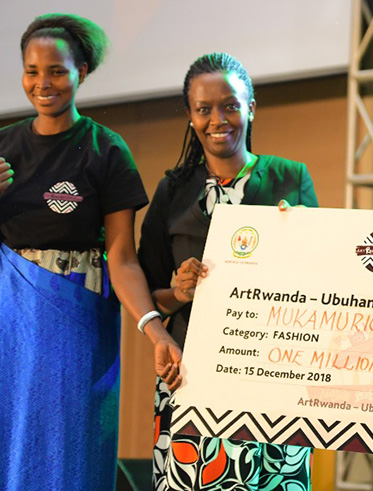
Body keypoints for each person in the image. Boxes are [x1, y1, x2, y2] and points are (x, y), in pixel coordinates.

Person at [0, 13, 181, 490]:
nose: (43, 83)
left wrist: (155, 331)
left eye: (56, 71)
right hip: (8, 324)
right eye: (32, 71)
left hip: (77, 325)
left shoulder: (106, 150)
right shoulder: (3, 146)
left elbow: (121, 257)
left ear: (81, 72)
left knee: (69, 449)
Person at [138, 52, 317, 491]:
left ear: (251, 108)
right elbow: (150, 295)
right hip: (191, 379)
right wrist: (179, 293)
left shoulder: (290, 178)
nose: (218, 119)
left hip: (273, 376)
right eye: (204, 109)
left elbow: (318, 278)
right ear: (190, 115)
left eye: (230, 106)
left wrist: (295, 237)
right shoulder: (172, 191)